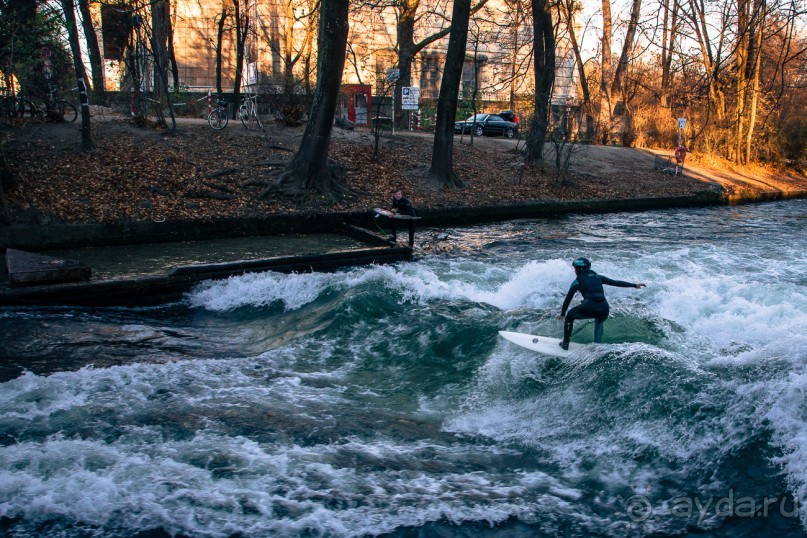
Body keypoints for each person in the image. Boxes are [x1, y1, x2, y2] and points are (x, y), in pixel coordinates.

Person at [556, 258, 646, 350]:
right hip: (604, 308)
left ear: (580, 269)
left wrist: (563, 314)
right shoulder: (598, 277)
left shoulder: (577, 281)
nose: (575, 271)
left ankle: (565, 344)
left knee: (570, 316)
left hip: (589, 305)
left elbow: (568, 299)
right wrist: (634, 285)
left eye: (575, 268)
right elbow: (615, 282)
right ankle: (596, 347)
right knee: (599, 320)